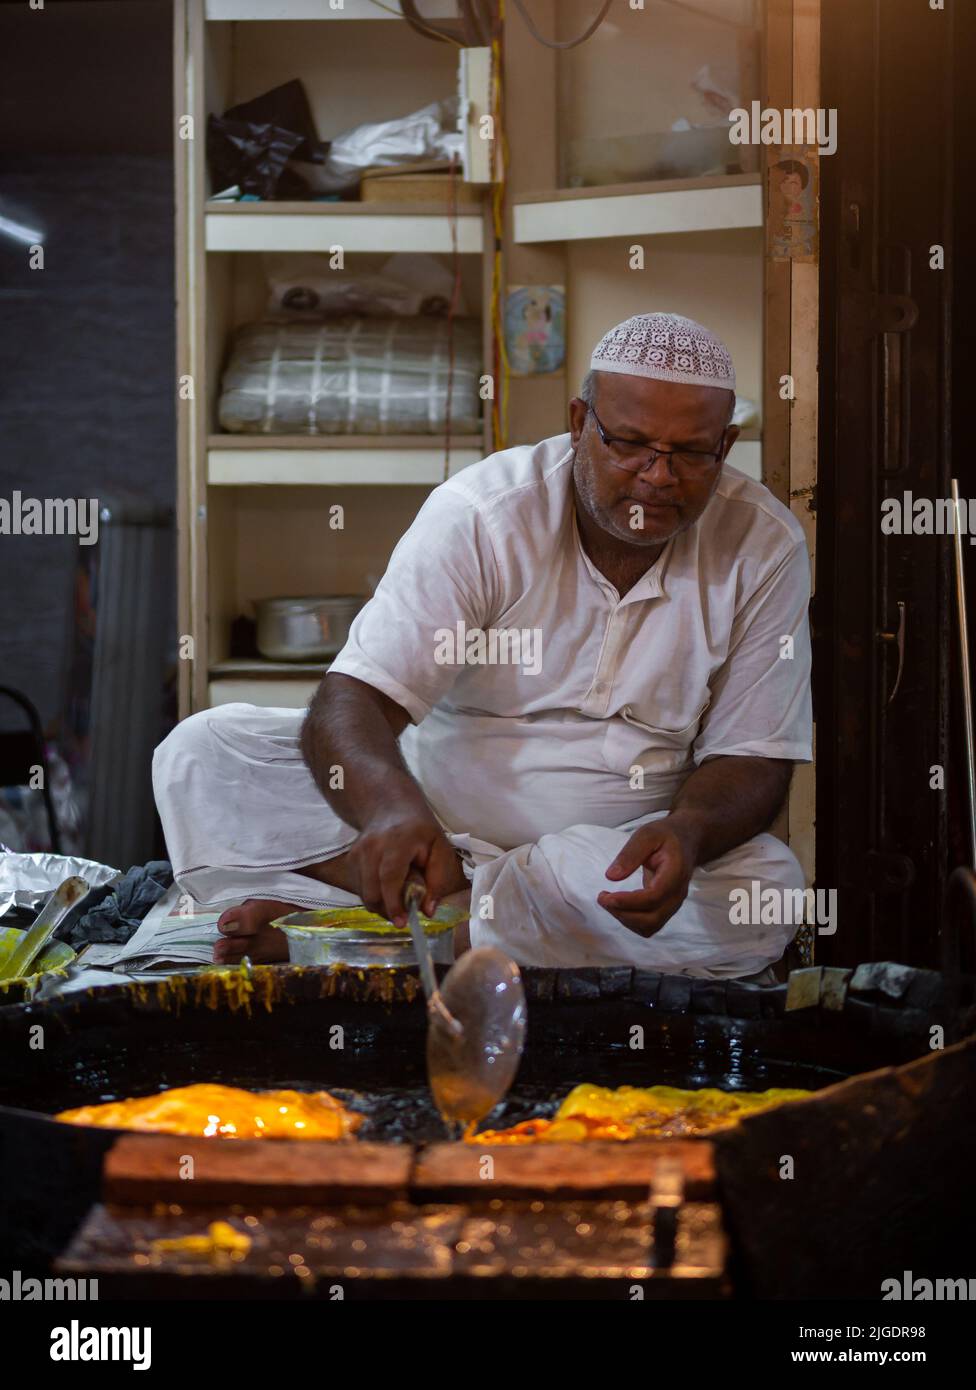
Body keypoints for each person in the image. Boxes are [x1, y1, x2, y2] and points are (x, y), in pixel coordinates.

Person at [153, 312, 812, 978]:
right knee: (202, 753)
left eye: (691, 453)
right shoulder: (484, 513)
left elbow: (752, 757)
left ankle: (411, 925)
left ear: (725, 445)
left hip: (613, 854)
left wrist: (689, 832)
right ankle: (438, 904)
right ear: (581, 422)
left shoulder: (763, 544)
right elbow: (353, 701)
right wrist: (391, 812)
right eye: (631, 443)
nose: (659, 475)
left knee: (767, 896)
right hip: (433, 820)